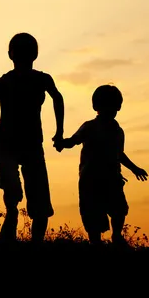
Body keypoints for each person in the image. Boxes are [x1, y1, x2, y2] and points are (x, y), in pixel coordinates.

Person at [0, 32, 64, 243]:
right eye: (20, 50)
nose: (24, 54)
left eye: (27, 50)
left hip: (32, 144)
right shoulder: (3, 82)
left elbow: (58, 99)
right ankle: (12, 213)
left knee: (40, 200)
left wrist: (59, 132)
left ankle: (35, 242)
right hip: (7, 142)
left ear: (34, 54)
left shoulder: (42, 79)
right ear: (11, 54)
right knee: (13, 189)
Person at [54, 85, 147, 246]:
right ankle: (96, 242)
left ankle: (117, 235)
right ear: (96, 107)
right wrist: (62, 143)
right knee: (92, 213)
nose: (110, 110)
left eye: (113, 106)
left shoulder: (118, 131)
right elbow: (74, 140)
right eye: (107, 105)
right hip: (90, 180)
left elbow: (119, 154)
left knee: (118, 209)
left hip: (112, 178)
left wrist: (134, 168)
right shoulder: (89, 127)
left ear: (118, 107)